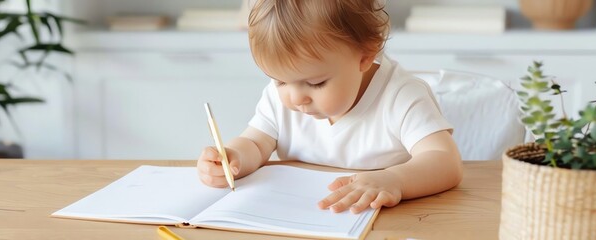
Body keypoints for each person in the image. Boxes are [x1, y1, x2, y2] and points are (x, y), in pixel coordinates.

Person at [197, 0, 462, 214]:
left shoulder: (402, 96)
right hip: (299, 219)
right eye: (279, 80)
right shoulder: (281, 97)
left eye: (316, 83)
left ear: (366, 55)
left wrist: (396, 180)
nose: (295, 98)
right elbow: (255, 144)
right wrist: (232, 158)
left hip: (387, 222)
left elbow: (445, 161)